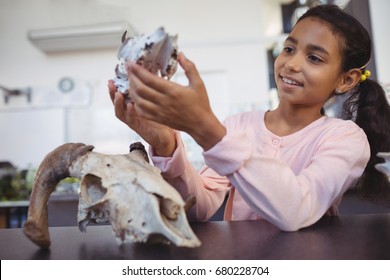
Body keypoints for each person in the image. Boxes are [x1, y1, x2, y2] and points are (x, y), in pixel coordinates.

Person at [108, 4, 390, 231]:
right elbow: (198, 208)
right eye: (289, 49)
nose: (291, 63)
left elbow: (297, 210)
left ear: (346, 79)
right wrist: (166, 145)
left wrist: (206, 129)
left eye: (314, 58)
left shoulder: (346, 138)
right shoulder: (239, 125)